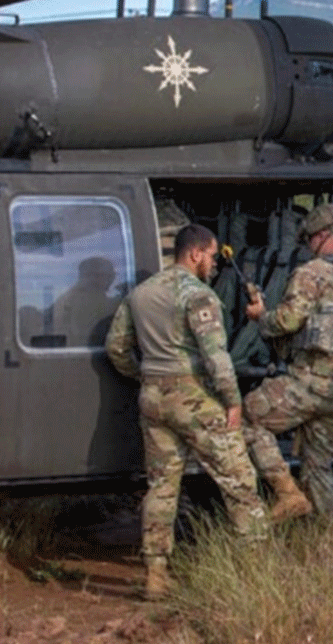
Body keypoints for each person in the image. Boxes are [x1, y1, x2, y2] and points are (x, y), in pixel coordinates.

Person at [104, 223, 269, 599]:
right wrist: (232, 400)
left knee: (161, 486)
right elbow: (215, 355)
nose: (213, 264)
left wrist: (145, 375)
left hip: (152, 397)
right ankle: (257, 571)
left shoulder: (140, 294)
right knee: (240, 480)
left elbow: (116, 347)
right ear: (195, 253)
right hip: (193, 397)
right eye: (211, 256)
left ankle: (156, 575)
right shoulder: (198, 296)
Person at [242, 202, 333, 521]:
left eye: (311, 239)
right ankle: (330, 547)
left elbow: (286, 321)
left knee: (248, 416)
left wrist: (261, 317)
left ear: (323, 235)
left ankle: (287, 493)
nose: (310, 246)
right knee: (318, 466)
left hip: (311, 383)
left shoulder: (313, 272)